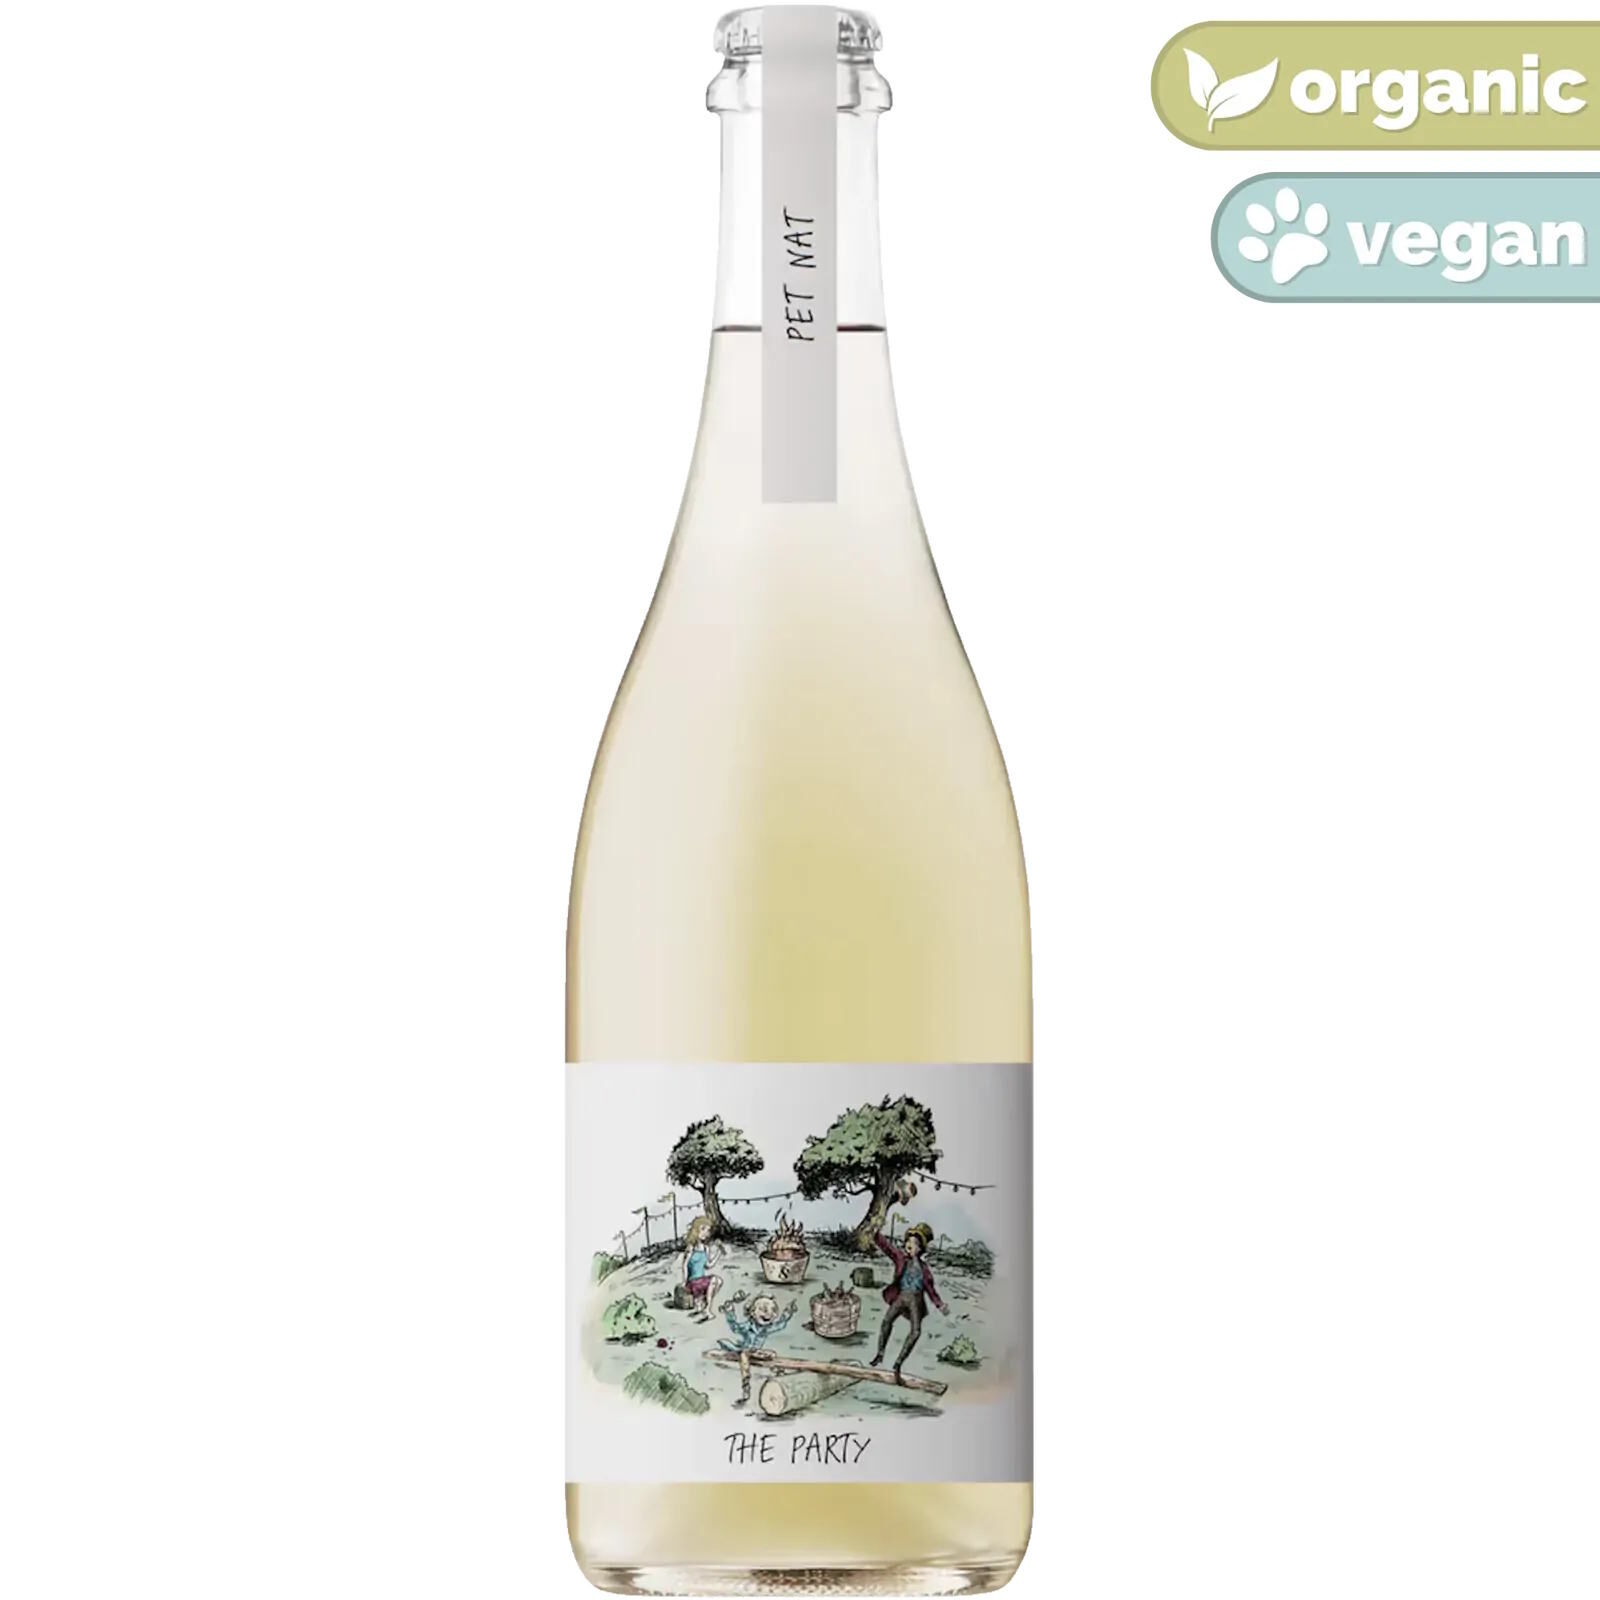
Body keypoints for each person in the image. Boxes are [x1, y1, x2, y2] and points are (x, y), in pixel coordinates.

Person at [870, 1221, 945, 1379]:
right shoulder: (900, 1258)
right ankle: (880, 1354)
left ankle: (898, 1362)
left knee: (916, 1332)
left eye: (915, 1243)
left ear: (920, 1248)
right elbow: (887, 1248)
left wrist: (940, 1305)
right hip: (901, 1296)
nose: (910, 1245)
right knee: (886, 1321)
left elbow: (931, 1290)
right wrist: (876, 1234)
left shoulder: (924, 1269)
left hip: (915, 1301)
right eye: (908, 1242)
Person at [718, 1293, 797, 1406]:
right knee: (744, 1355)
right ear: (752, 1312)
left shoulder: (766, 1328)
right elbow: (735, 1327)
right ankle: (746, 1386)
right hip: (745, 1351)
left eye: (773, 1310)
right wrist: (729, 1312)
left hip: (756, 1352)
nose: (769, 1313)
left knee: (772, 1354)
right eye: (763, 1309)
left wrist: (788, 1313)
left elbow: (780, 1325)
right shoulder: (748, 1326)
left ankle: (779, 1376)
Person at [679, 1216, 723, 1321]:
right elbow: (684, 1265)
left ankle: (702, 1301)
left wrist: (718, 1254)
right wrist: (684, 1281)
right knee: (714, 1280)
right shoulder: (691, 1248)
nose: (705, 1233)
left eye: (707, 1230)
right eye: (703, 1229)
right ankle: (707, 1309)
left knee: (719, 1281)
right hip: (692, 1281)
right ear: (696, 1230)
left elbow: (708, 1265)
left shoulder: (706, 1248)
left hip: (702, 1280)